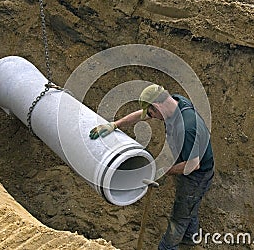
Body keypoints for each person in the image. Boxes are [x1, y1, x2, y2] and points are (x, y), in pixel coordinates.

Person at [89, 84, 214, 250]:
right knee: (190, 204)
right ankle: (190, 237)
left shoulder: (186, 126)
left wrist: (162, 171)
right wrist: (114, 125)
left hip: (197, 174)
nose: (151, 117)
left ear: (157, 106)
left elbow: (193, 165)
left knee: (180, 216)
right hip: (190, 163)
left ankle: (167, 247)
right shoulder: (173, 102)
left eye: (151, 113)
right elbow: (142, 115)